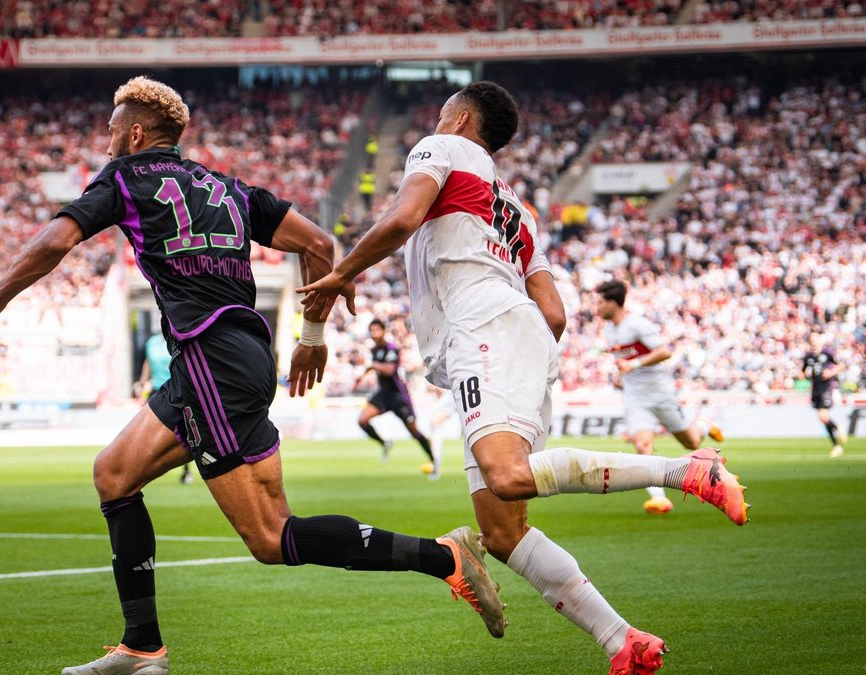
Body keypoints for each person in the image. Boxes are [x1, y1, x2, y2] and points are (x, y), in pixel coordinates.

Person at [0, 76, 505, 675]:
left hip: (212, 362)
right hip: (228, 360)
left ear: (133, 133)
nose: (106, 141)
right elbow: (318, 241)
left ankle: (443, 558)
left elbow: (57, 240)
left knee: (269, 537)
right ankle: (142, 648)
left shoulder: (124, 179)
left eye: (110, 130)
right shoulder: (225, 188)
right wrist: (311, 337)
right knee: (114, 474)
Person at [299, 81, 748, 675]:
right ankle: (622, 641)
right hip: (516, 335)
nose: (436, 121)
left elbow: (403, 217)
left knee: (507, 478)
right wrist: (519, 355)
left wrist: (341, 273)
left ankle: (686, 470)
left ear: (459, 118)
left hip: (482, 327)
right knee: (503, 532)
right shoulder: (520, 209)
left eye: (442, 114)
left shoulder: (442, 148)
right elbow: (555, 313)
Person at [595, 280, 724, 513]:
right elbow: (625, 359)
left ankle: (704, 426)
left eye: (600, 302)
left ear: (613, 303)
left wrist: (633, 364)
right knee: (643, 443)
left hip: (660, 392)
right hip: (635, 396)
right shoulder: (609, 330)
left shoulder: (637, 324)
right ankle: (659, 499)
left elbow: (664, 352)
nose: (597, 307)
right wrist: (620, 374)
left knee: (690, 442)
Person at [357, 319, 440, 478]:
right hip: (383, 394)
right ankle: (385, 443)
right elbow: (374, 367)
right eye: (371, 331)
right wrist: (361, 377)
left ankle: (434, 461)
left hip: (397, 396)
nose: (374, 334)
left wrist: (372, 366)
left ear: (383, 331)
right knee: (362, 420)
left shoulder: (392, 348)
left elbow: (389, 370)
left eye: (377, 330)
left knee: (414, 431)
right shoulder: (374, 351)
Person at [138, 330, 191, 483]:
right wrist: (142, 382)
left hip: (174, 389)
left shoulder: (178, 340)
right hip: (155, 391)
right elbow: (147, 363)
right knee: (147, 431)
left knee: (182, 433)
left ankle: (185, 470)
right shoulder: (152, 343)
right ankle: (147, 467)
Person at [800, 331, 847, 458]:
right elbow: (803, 373)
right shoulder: (808, 357)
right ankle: (836, 440)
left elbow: (841, 365)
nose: (814, 341)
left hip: (826, 387)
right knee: (822, 418)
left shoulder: (827, 353)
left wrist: (831, 373)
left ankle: (837, 437)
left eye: (816, 338)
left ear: (820, 340)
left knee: (823, 415)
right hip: (815, 388)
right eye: (812, 338)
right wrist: (805, 375)